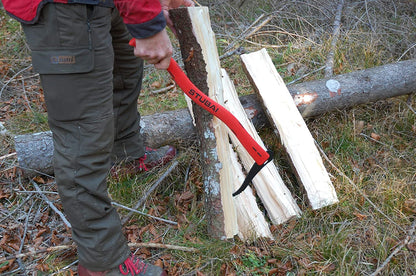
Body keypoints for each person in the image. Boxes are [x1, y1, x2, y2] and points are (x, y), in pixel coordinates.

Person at [2, 0, 194, 275]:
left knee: (123, 74)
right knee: (82, 134)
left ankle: (125, 155)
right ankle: (102, 262)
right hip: (64, 8)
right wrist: (147, 21)